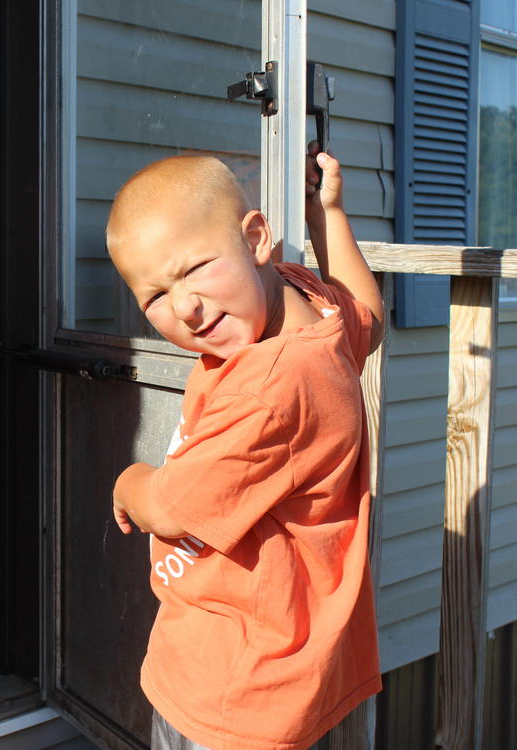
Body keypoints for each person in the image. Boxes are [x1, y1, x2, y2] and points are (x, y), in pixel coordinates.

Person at [105, 145, 384, 750]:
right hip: (297, 663)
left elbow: (169, 508)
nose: (184, 307)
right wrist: (326, 215)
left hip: (238, 685)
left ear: (256, 237)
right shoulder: (309, 309)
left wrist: (128, 480)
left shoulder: (269, 389)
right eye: (153, 297)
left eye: (194, 269)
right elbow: (369, 316)